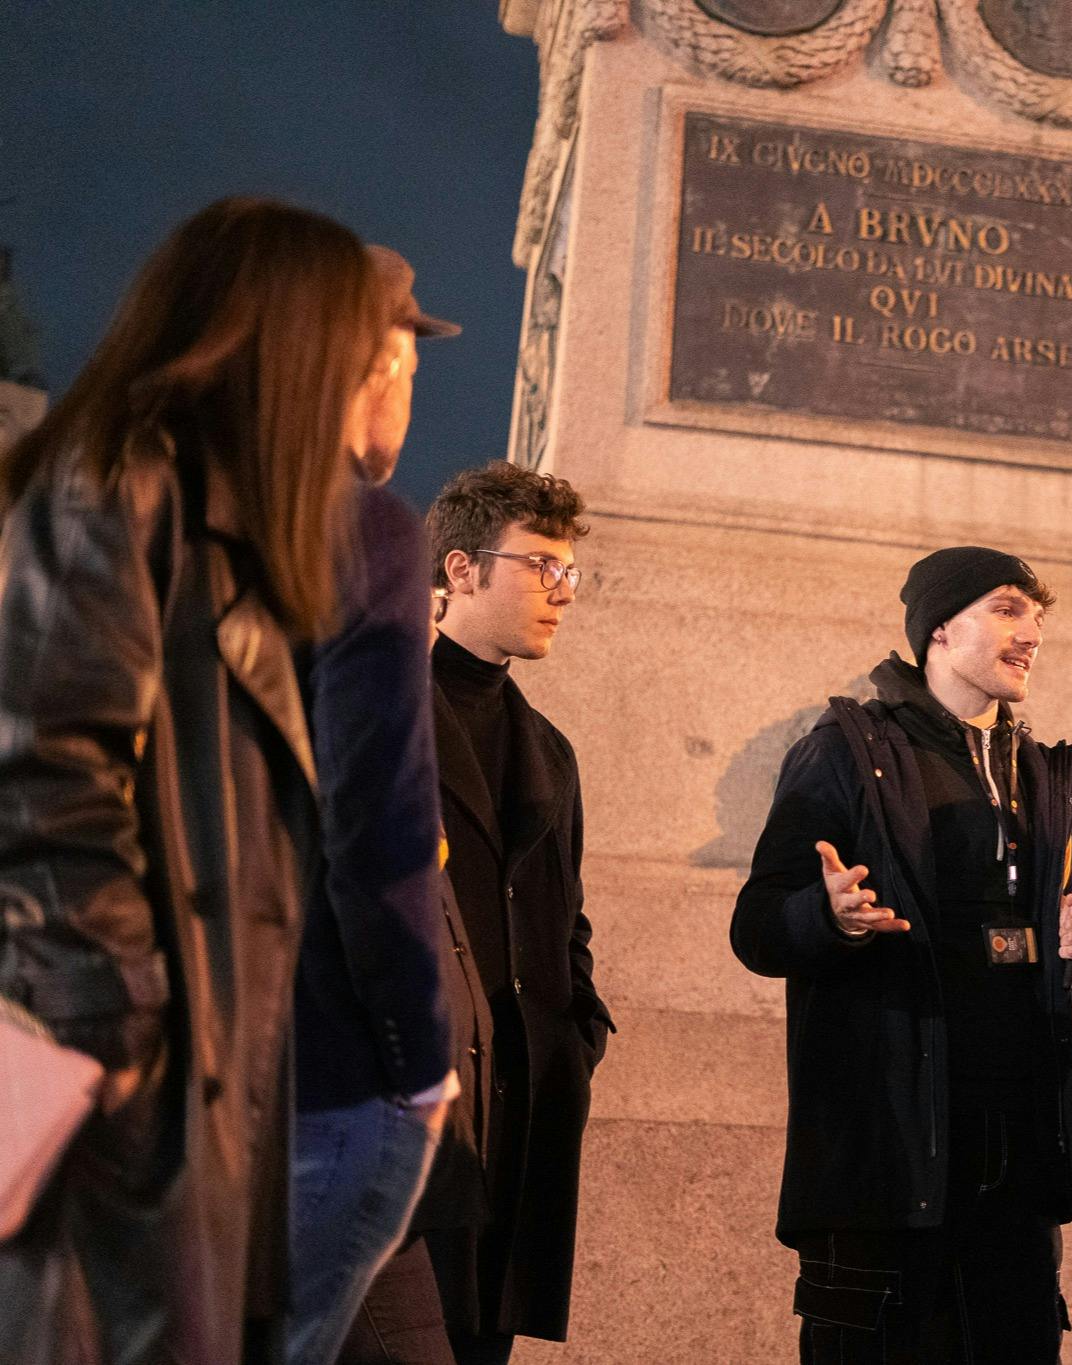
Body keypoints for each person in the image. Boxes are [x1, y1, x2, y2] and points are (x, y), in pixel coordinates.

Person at [0, 198, 382, 1364]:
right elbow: (42, 765)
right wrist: (123, 1025)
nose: (367, 377)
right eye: (355, 344)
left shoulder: (223, 523)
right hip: (117, 1077)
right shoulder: (116, 481)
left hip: (186, 1074)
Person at [731, 545, 1072, 1364]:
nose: (1032, 632)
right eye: (1009, 608)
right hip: (887, 1172)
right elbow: (757, 925)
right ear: (939, 628)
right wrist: (828, 916)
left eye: (1038, 616)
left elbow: (1049, 949)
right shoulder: (849, 749)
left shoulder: (1042, 775)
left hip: (1015, 1179)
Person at [285, 245, 463, 1365]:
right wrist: (419, 1062)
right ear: (375, 363)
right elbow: (378, 824)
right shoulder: (360, 528)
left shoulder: (99, 509)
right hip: (321, 1063)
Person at [420, 464, 612, 1365]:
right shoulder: (385, 713)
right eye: (541, 566)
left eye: (569, 572)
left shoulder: (552, 751)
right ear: (461, 569)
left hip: (522, 1125)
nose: (561, 593)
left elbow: (565, 919)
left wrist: (578, 1031)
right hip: (418, 1114)